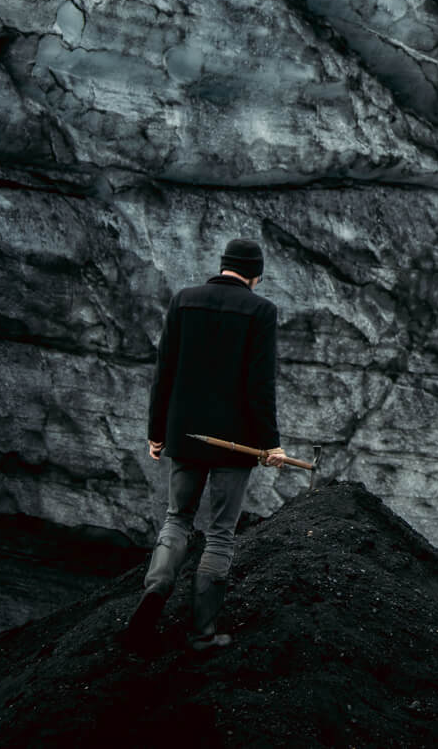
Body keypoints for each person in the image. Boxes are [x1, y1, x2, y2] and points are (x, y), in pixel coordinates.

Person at [120, 237, 285, 652]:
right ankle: (202, 634)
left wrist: (156, 432)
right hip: (236, 442)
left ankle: (156, 586)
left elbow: (165, 373)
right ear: (256, 274)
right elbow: (259, 386)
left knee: (178, 518)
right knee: (221, 534)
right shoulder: (261, 310)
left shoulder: (184, 300)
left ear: (223, 265)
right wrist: (272, 445)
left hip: (185, 433)